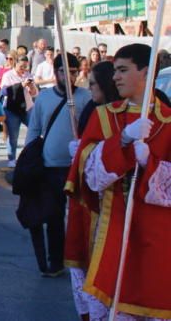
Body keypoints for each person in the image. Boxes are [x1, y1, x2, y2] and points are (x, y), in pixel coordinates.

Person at [65, 43, 171, 318]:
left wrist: (151, 164)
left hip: (159, 238)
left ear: (146, 72)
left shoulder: (169, 121)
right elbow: (89, 178)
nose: (115, 78)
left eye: (123, 70)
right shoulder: (103, 116)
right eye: (114, 71)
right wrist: (121, 142)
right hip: (113, 231)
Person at [18, 53, 90, 277]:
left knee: (82, 215)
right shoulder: (45, 98)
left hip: (77, 166)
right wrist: (28, 157)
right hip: (49, 166)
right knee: (53, 216)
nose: (68, 76)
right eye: (64, 71)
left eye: (73, 72)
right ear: (55, 72)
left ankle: (83, 261)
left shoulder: (86, 98)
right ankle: (55, 262)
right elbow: (35, 129)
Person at [65, 60, 119, 320]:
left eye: (94, 83)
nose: (89, 87)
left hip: (117, 207)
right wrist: (82, 155)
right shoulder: (93, 110)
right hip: (90, 204)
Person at [0, 55, 37, 166]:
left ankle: (32, 155)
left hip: (27, 107)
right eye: (21, 66)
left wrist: (31, 87)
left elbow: (34, 93)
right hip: (12, 109)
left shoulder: (28, 75)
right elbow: (5, 91)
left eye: (25, 66)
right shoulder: (8, 75)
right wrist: (21, 85)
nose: (23, 69)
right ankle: (12, 158)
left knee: (35, 130)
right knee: (13, 136)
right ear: (15, 64)